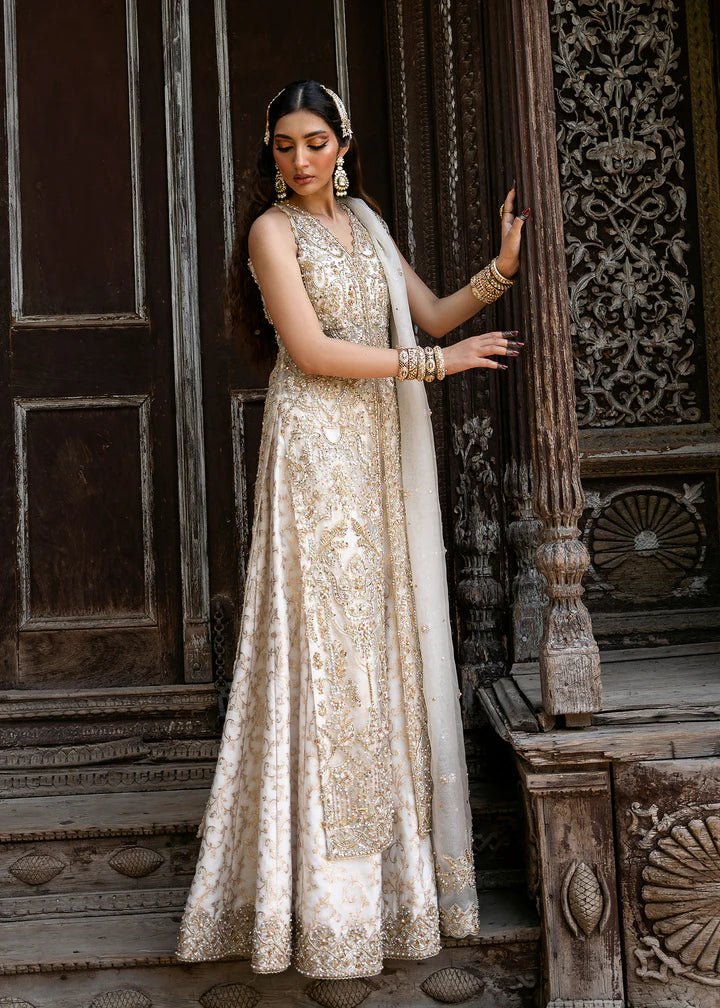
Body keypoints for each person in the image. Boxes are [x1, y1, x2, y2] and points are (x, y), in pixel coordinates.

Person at [176, 79, 528, 980]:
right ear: (272, 151)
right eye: (285, 146)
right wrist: (434, 364)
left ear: (344, 143)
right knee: (326, 665)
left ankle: (392, 897)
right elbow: (313, 352)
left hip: (373, 459)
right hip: (317, 463)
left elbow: (431, 314)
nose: (299, 161)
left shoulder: (365, 223)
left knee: (377, 656)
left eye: (316, 143)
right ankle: (319, 906)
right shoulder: (271, 234)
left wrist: (499, 271)